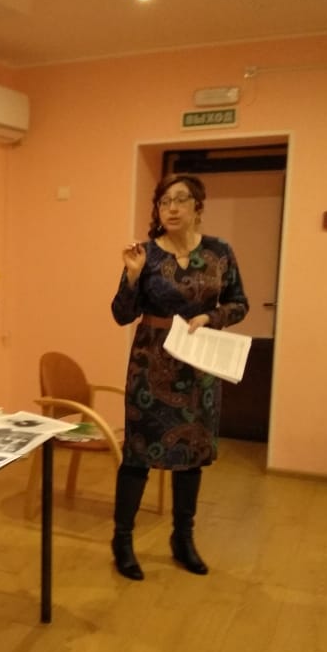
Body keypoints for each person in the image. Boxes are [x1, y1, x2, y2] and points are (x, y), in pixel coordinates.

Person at [109, 173, 249, 580]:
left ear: (197, 207)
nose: (171, 208)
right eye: (164, 201)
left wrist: (211, 317)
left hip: (199, 369)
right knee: (137, 456)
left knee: (192, 458)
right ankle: (122, 541)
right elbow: (122, 314)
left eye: (180, 200)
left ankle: (183, 539)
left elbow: (240, 303)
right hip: (150, 368)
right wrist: (132, 276)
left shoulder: (220, 252)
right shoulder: (145, 254)